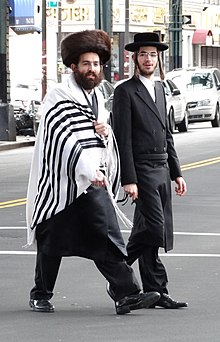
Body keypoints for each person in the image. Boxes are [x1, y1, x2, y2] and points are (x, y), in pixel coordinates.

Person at [26, 29, 160, 315]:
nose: (92, 69)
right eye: (86, 64)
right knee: (51, 241)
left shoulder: (97, 97)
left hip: (91, 184)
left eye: (96, 64)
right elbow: (61, 137)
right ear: (74, 66)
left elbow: (97, 137)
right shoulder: (59, 96)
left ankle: (126, 294)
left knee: (107, 236)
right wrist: (86, 167)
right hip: (61, 185)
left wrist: (105, 132)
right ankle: (40, 293)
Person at [112, 32, 188, 309]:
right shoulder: (124, 91)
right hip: (141, 170)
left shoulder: (160, 88)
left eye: (153, 54)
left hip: (161, 169)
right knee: (155, 228)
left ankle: (157, 290)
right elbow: (123, 138)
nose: (148, 59)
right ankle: (118, 273)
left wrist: (176, 172)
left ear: (158, 58)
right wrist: (128, 179)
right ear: (135, 58)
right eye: (143, 54)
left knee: (152, 230)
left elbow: (168, 134)